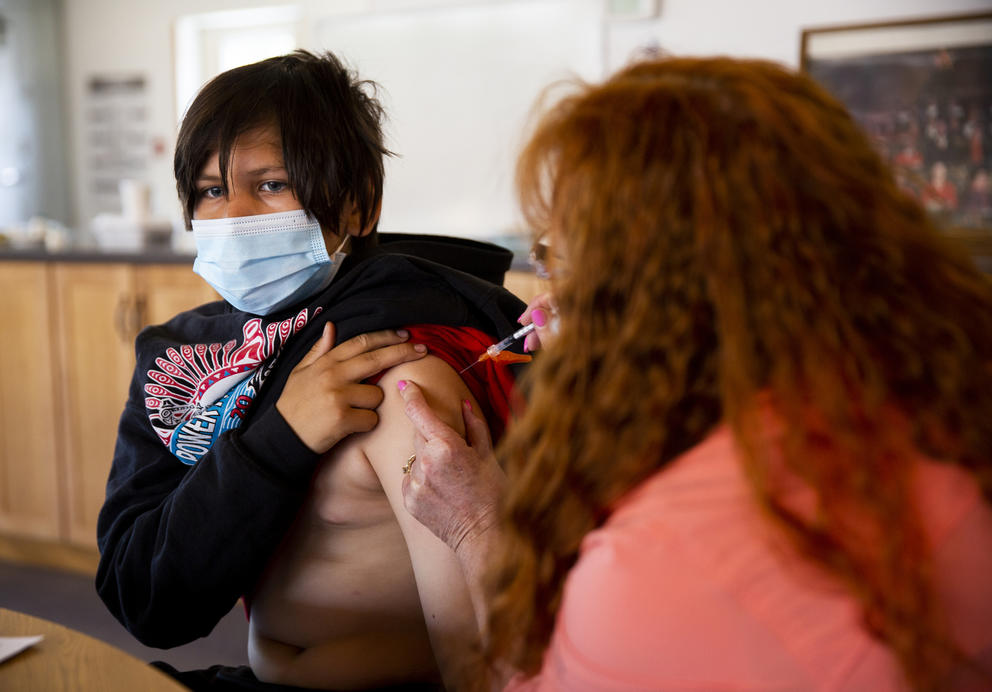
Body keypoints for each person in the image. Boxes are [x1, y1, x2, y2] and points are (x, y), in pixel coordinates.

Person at [398, 57, 992, 690]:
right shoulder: (924, 397)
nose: (540, 311)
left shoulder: (657, 565)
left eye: (564, 268)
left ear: (660, 303)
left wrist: (477, 528)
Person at [96, 50, 529, 691]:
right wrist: (281, 437)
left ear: (357, 206)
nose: (235, 213)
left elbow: (476, 660)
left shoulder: (397, 366)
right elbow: (143, 597)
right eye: (212, 190)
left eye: (271, 184)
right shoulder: (182, 358)